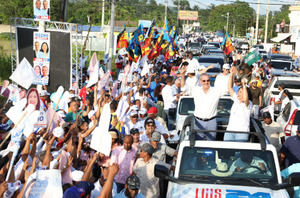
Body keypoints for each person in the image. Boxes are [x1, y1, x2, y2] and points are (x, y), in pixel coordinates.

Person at [191, 73, 224, 140]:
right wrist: (182, 75)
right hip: (198, 122)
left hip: (212, 122)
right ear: (200, 81)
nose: (206, 82)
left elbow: (229, 89)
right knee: (198, 144)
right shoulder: (196, 90)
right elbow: (183, 87)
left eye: (208, 80)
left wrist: (231, 74)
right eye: (204, 81)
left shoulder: (216, 91)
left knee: (210, 144)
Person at [224, 67, 251, 142]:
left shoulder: (248, 104)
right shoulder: (236, 99)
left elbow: (245, 99)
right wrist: (231, 74)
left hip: (242, 133)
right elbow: (230, 88)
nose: (239, 94)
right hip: (230, 131)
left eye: (241, 92)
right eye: (239, 92)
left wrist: (244, 85)